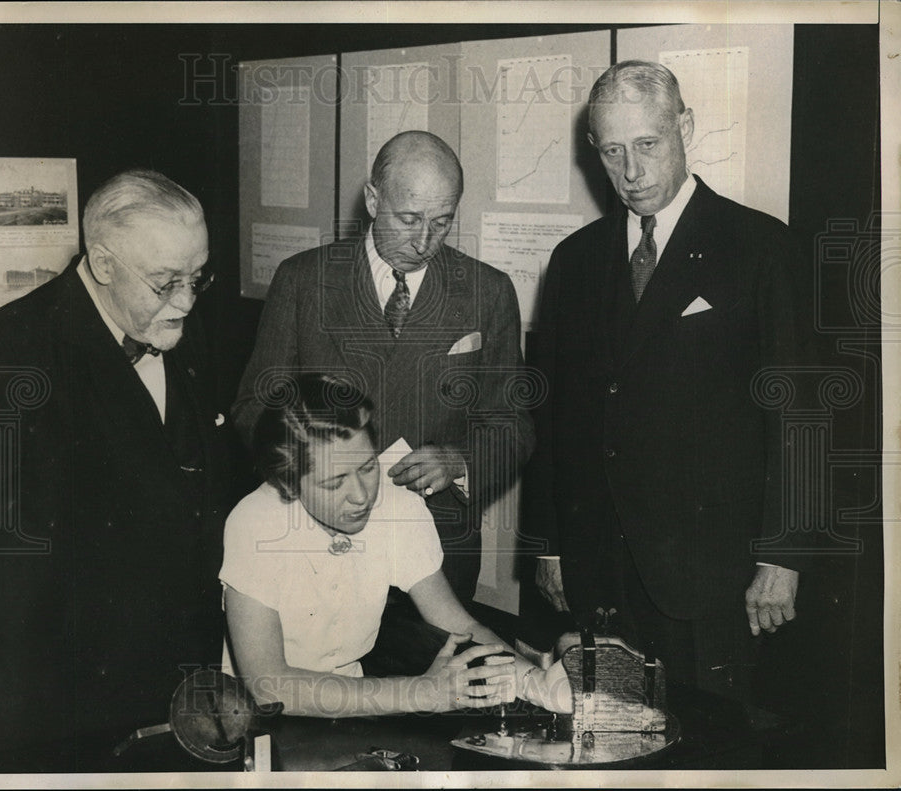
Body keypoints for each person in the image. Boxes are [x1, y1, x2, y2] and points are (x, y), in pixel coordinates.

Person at [0, 170, 234, 767]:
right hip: (59, 711)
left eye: (199, 277)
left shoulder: (172, 328)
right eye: (167, 282)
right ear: (104, 262)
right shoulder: (1, 361)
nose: (188, 300)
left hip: (171, 691)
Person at [527, 61, 812, 702]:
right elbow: (554, 416)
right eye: (612, 152)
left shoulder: (761, 248)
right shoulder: (575, 260)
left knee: (710, 747)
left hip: (713, 573)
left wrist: (784, 554)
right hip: (599, 568)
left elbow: (798, 419)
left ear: (684, 126)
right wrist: (547, 544)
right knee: (604, 734)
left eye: (648, 146)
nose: (631, 172)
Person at [231, 131, 534, 606]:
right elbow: (253, 410)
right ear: (373, 200)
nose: (423, 241)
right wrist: (320, 467)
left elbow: (512, 424)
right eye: (408, 219)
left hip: (437, 542)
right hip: (316, 534)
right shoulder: (303, 280)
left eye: (442, 222)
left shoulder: (487, 291)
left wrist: (460, 461)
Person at [222, 374, 570, 717]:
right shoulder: (255, 523)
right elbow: (269, 685)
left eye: (367, 467)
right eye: (335, 482)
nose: (361, 496)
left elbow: (455, 620)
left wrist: (535, 683)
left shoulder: (396, 506)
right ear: (289, 483)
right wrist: (421, 692)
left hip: (354, 705)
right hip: (254, 718)